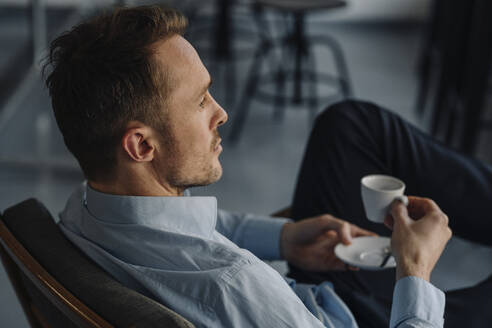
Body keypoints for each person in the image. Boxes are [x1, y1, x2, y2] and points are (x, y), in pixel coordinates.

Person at [42, 5, 491, 328]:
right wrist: (415, 269)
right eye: (200, 102)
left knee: (349, 124)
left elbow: (184, 231)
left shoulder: (84, 207)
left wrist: (284, 238)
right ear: (141, 144)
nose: (221, 113)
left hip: (314, 298)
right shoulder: (234, 285)